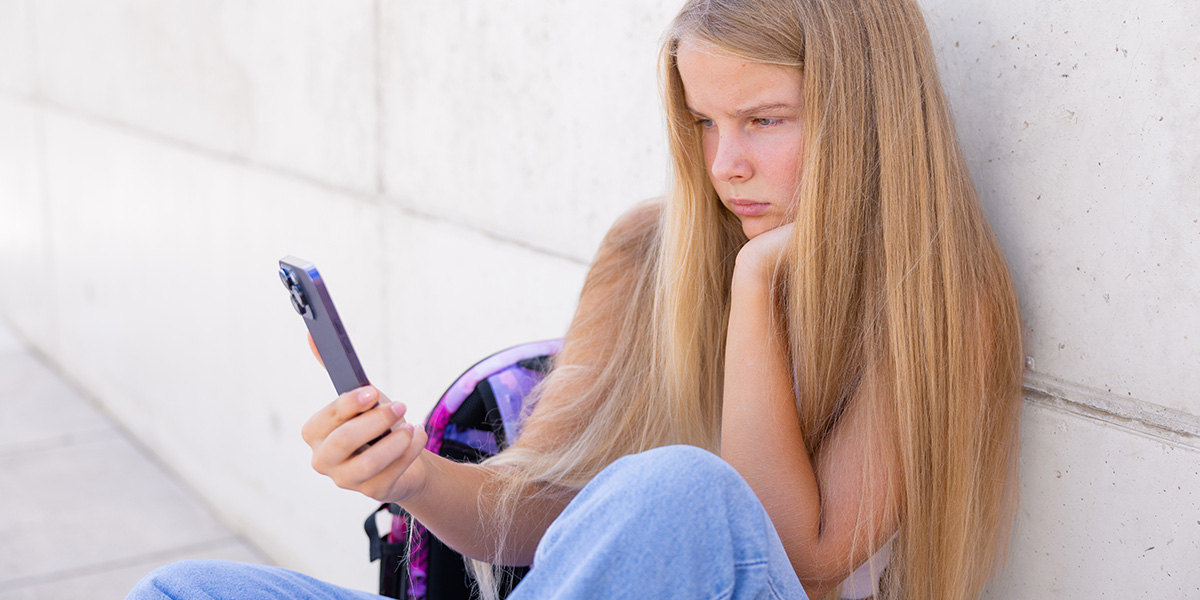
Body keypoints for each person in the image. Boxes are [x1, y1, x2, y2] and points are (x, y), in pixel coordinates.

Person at [129, 0, 1023, 598]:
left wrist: (755, 289)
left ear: (866, 114)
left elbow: (798, 552)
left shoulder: (941, 301)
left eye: (765, 120)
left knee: (681, 490)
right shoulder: (649, 251)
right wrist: (407, 475)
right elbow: (542, 514)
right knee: (185, 593)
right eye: (705, 123)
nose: (724, 167)